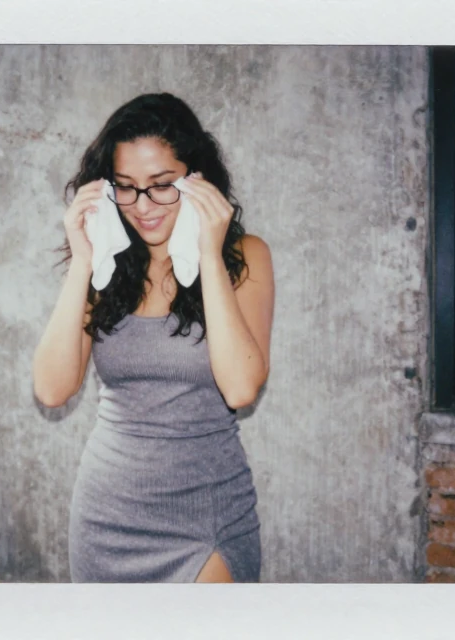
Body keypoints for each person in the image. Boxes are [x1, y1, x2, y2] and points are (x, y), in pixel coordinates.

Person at [33, 93, 274, 583]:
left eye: (162, 186)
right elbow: (52, 389)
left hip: (205, 520)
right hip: (107, 515)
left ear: (198, 179)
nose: (142, 207)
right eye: (125, 187)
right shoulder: (107, 262)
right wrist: (82, 259)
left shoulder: (244, 258)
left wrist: (208, 254)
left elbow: (241, 387)